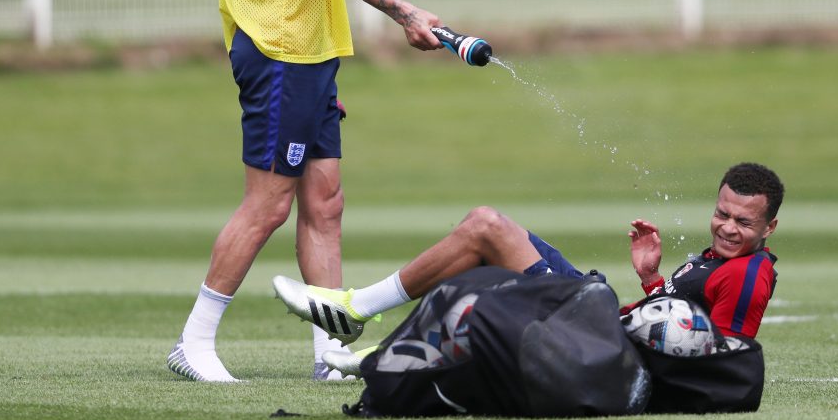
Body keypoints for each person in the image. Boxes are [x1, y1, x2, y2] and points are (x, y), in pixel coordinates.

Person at [167, 0, 442, 384]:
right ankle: (194, 341)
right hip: (280, 54)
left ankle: (329, 353)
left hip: (307, 58)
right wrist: (405, 13)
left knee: (326, 202)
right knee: (268, 205)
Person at [273, 162, 783, 375]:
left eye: (744, 221)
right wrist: (651, 279)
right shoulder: (718, 259)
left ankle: (359, 314)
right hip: (603, 315)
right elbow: (675, 322)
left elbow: (724, 355)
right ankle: (379, 346)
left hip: (600, 337)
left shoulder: (748, 273)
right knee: (483, 227)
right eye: (722, 213)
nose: (728, 227)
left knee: (487, 229)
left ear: (769, 228)